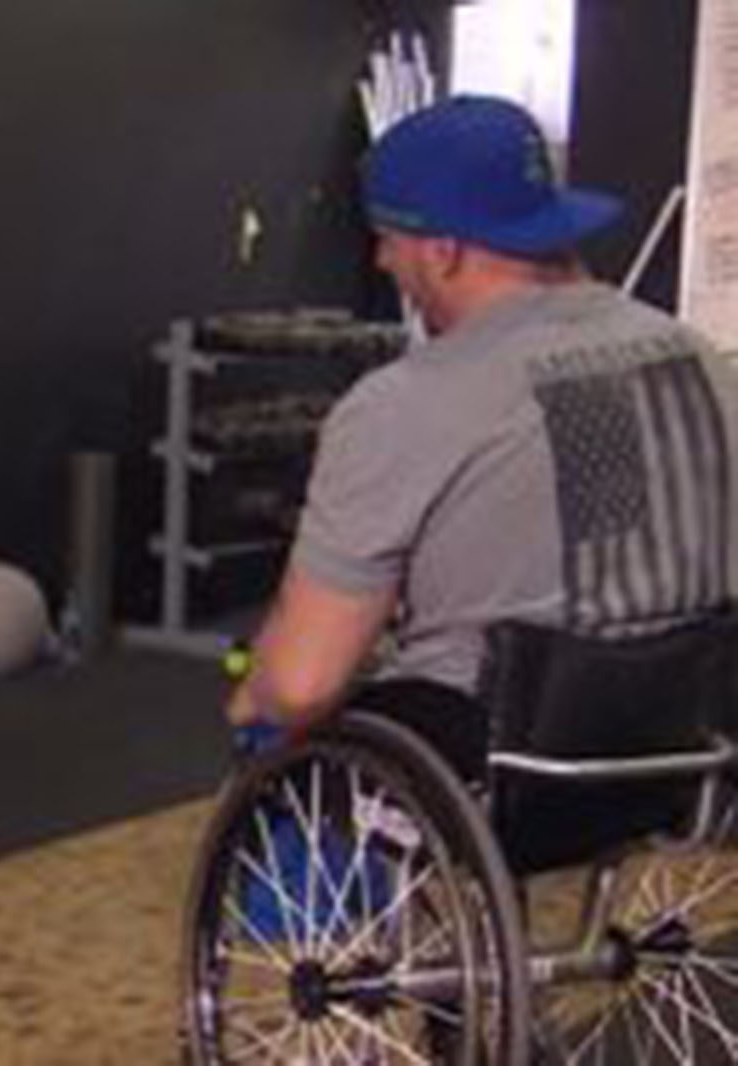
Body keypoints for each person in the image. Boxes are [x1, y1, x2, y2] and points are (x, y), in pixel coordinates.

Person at [226, 94, 738, 778]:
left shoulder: (397, 406)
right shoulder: (703, 360)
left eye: (388, 239)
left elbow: (300, 685)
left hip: (490, 765)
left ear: (443, 251)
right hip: (686, 752)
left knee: (269, 723)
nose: (382, 261)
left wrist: (253, 694)